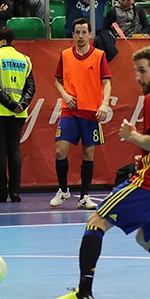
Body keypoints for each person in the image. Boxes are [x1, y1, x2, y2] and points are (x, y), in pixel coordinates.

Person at [53, 46, 150, 299]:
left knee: (96, 221)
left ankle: (84, 292)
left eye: (142, 71)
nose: (137, 76)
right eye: (136, 70)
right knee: (146, 239)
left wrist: (131, 135)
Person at [50, 18, 112, 210]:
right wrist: (65, 95)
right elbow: (57, 81)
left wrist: (104, 104)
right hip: (69, 109)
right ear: (73, 34)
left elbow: (107, 82)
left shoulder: (99, 55)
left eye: (84, 32)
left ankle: (84, 197)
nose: (80, 36)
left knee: (88, 154)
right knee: (60, 151)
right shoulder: (65, 55)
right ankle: (63, 190)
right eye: (77, 32)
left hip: (91, 111)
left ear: (90, 34)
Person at [0, 27, 36, 203]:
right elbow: (31, 87)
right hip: (19, 113)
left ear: (3, 40)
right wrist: (21, 105)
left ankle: (1, 193)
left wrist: (10, 104)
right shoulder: (25, 59)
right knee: (14, 149)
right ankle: (15, 192)